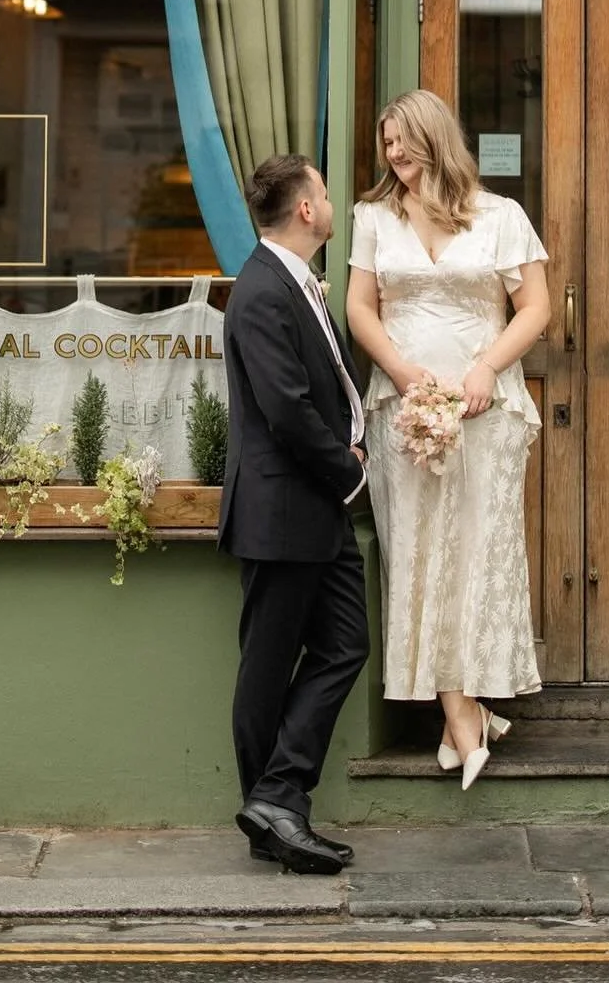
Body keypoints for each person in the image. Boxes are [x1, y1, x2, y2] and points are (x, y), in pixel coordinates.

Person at [345, 89, 550, 789]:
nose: (393, 152)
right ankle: (463, 716)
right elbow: (358, 308)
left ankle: (465, 715)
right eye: (386, 141)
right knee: (416, 556)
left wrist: (487, 366)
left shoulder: (502, 218)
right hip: (402, 411)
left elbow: (537, 308)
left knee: (474, 557)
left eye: (402, 138)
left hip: (485, 417)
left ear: (435, 137)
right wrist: (402, 374)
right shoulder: (372, 218)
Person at [218, 154, 370, 876]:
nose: (332, 201)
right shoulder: (260, 291)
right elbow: (286, 409)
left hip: (317, 511)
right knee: (269, 666)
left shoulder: (293, 283)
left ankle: (277, 796)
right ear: (306, 209)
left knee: (346, 644)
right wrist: (351, 471)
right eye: (326, 189)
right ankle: (272, 812)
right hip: (284, 510)